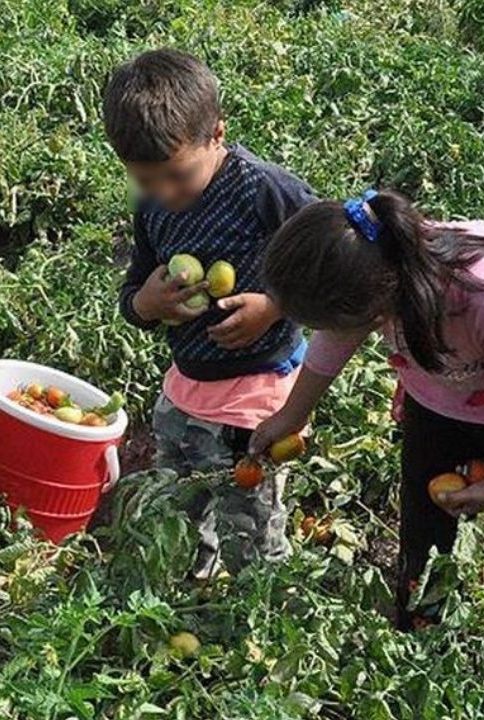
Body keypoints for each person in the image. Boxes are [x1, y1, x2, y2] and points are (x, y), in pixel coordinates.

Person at [249, 188, 484, 720]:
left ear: (376, 301)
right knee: (423, 551)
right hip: (444, 401)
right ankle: (420, 679)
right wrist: (291, 416)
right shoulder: (376, 272)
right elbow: (333, 342)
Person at [103, 49, 317, 579]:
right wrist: (146, 304)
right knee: (180, 506)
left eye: (177, 176)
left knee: (250, 521)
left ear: (216, 133)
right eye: (147, 180)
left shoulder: (262, 191)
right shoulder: (152, 207)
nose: (165, 193)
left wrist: (275, 306)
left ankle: (256, 617)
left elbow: (332, 260)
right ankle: (194, 589)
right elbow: (134, 293)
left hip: (257, 395)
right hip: (187, 388)